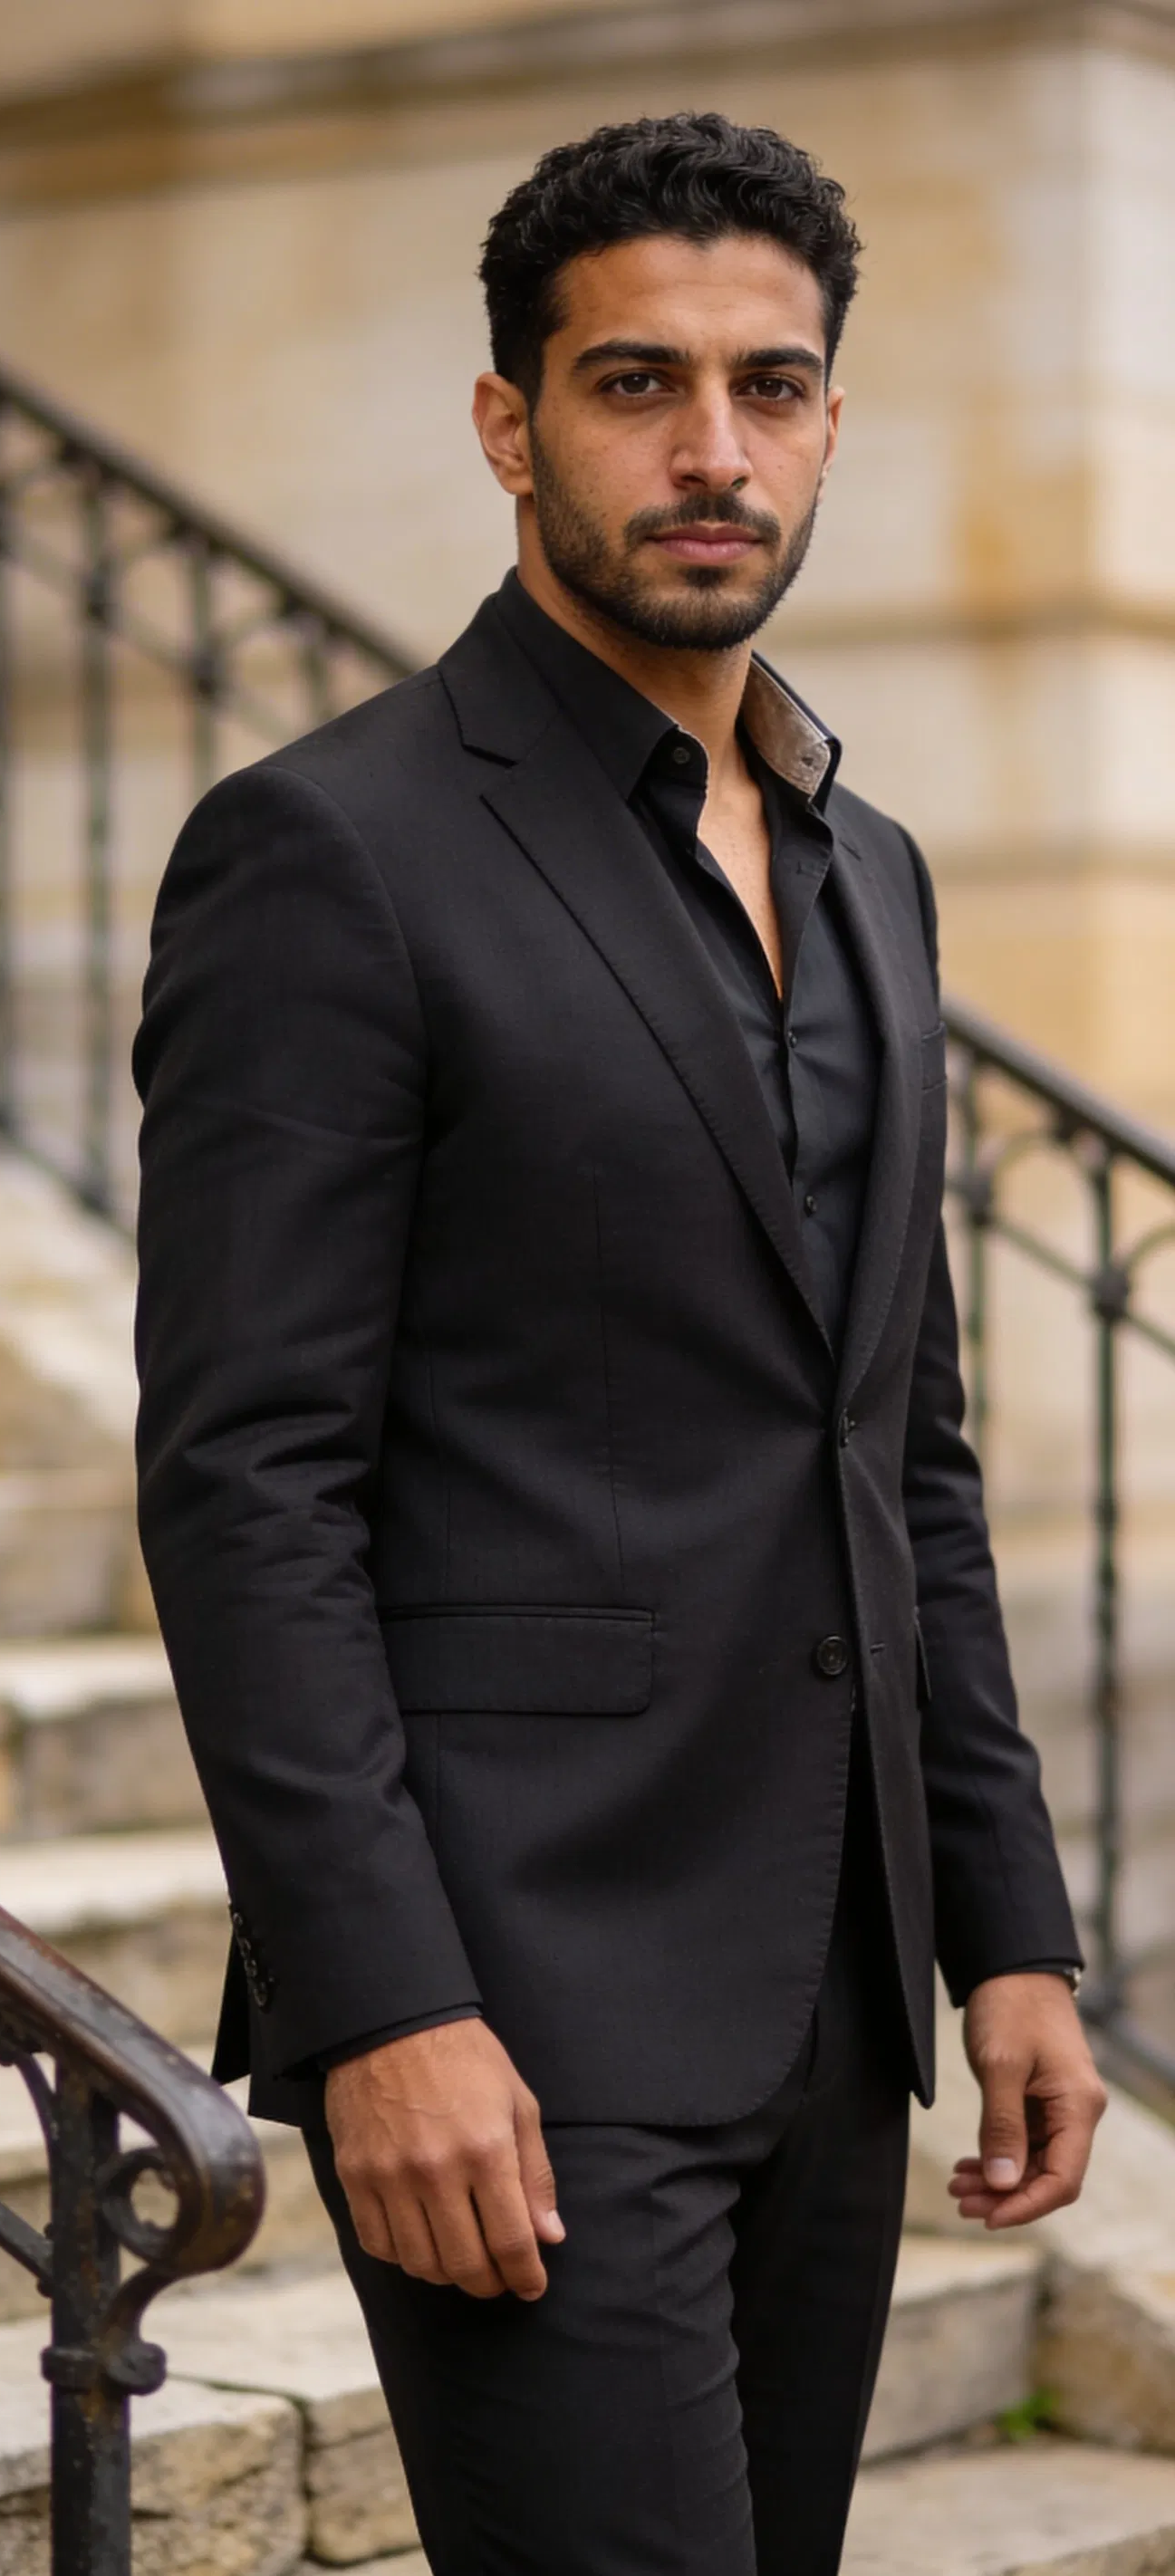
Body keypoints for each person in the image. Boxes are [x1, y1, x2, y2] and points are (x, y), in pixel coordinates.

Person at [135, 111, 1104, 2576]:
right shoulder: (330, 850)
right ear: (508, 423)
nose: (712, 449)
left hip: (832, 1989)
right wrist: (381, 2009)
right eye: (635, 383)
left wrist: (1007, 1921)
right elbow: (247, 1483)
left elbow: (905, 1451)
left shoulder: (867, 867)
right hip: (519, 1992)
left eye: (771, 388)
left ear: (829, 423)